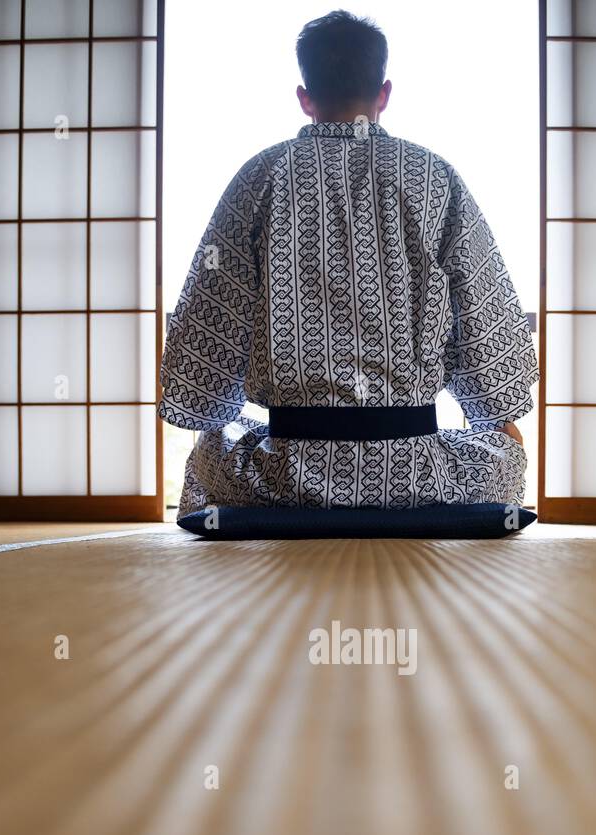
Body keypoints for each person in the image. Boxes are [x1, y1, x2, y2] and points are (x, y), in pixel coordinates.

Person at [158, 10, 538, 515]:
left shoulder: (260, 175)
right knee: (504, 452)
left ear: (304, 96)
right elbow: (485, 312)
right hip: (416, 473)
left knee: (210, 446)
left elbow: (209, 316)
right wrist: (493, 408)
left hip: (283, 473)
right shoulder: (434, 177)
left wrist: (211, 404)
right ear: (384, 93)